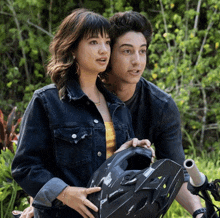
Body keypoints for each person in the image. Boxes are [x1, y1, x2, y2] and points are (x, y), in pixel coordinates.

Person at [11, 8, 153, 218]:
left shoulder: (117, 106)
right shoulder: (47, 101)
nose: (104, 50)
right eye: (94, 42)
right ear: (73, 48)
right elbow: (25, 167)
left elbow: (119, 172)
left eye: (107, 42)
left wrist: (129, 151)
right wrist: (64, 193)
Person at [103, 11, 204, 218]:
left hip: (132, 207)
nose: (137, 61)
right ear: (108, 53)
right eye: (127, 51)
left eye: (142, 51)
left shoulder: (161, 106)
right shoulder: (85, 96)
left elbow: (177, 174)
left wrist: (199, 212)